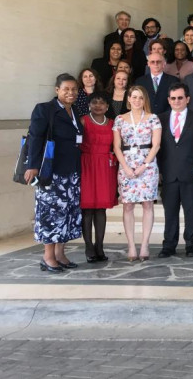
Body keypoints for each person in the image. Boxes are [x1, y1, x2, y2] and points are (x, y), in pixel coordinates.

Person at [25, 74, 84, 273]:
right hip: (51, 172)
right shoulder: (45, 109)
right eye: (66, 89)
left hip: (72, 171)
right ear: (57, 90)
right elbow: (35, 137)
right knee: (50, 214)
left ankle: (60, 254)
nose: (71, 93)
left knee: (67, 214)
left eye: (74, 89)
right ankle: (48, 257)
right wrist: (32, 166)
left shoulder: (75, 110)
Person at [156, 83, 193, 259]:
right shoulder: (160, 119)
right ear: (168, 100)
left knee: (192, 211)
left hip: (192, 173)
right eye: (173, 98)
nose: (177, 101)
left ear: (187, 99)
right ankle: (169, 245)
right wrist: (159, 170)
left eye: (180, 98)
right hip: (169, 173)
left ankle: (190, 244)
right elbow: (157, 147)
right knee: (170, 212)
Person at [112, 85, 162, 262]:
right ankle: (132, 245)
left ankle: (145, 244)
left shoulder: (153, 118)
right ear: (128, 99)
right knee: (128, 206)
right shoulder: (119, 119)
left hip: (147, 163)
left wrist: (144, 165)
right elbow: (117, 146)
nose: (137, 100)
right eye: (134, 97)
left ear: (145, 100)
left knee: (148, 204)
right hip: (126, 163)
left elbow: (156, 145)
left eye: (140, 97)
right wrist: (125, 166)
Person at [78, 92, 116, 263]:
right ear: (89, 105)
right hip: (86, 164)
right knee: (87, 209)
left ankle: (100, 245)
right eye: (94, 102)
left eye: (102, 102)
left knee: (101, 208)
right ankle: (88, 246)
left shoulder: (112, 124)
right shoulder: (83, 121)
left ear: (107, 106)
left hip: (105, 166)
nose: (98, 105)